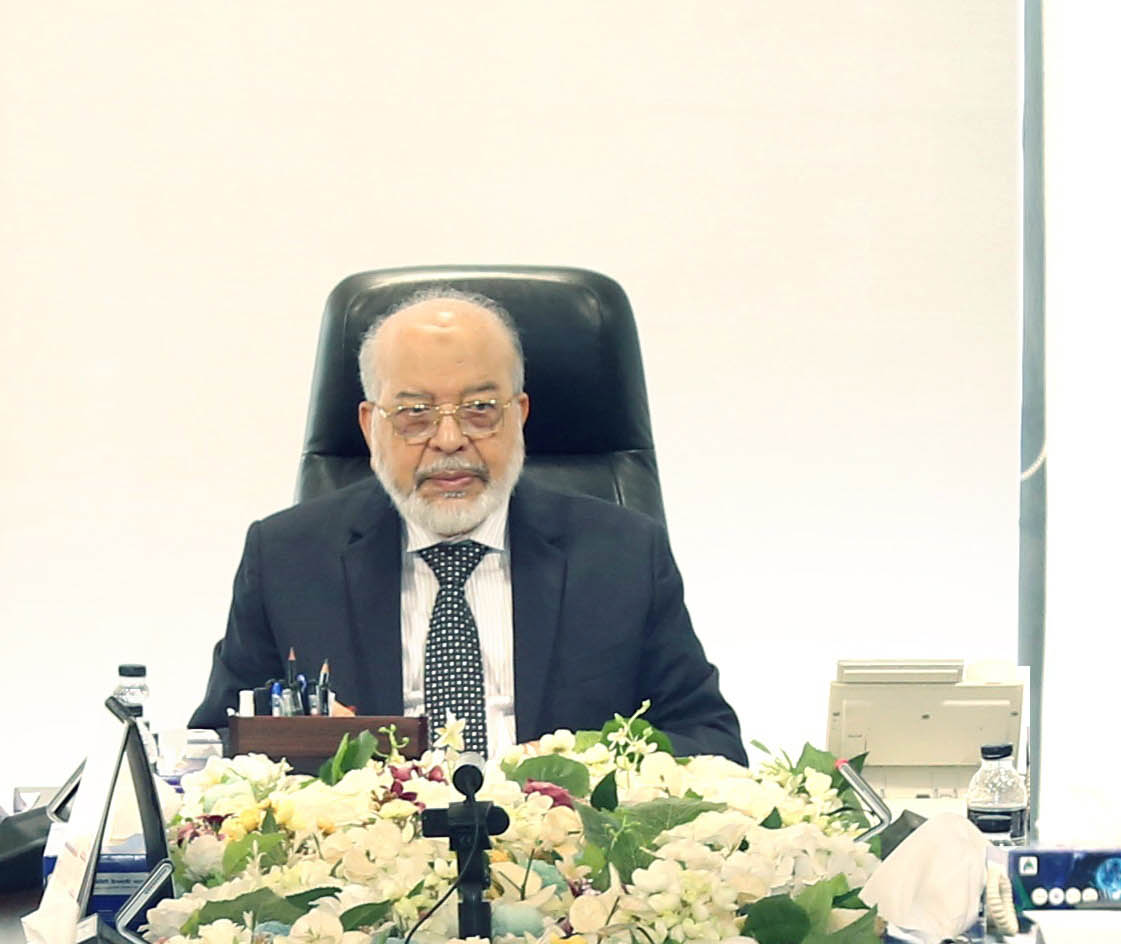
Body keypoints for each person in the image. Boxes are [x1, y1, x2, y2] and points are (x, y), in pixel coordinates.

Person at [195, 288, 745, 760]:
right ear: (369, 426)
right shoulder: (285, 557)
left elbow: (709, 740)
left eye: (480, 409)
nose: (450, 440)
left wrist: (585, 769)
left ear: (520, 415)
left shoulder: (623, 554)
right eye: (414, 414)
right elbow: (215, 748)